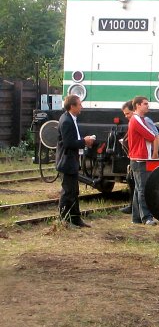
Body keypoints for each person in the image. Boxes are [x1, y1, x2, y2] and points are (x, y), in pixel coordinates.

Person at [55, 94, 95, 228]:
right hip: (66, 161)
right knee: (67, 192)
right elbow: (68, 143)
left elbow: (72, 139)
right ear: (72, 106)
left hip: (71, 160)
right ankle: (64, 220)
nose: (81, 107)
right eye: (79, 104)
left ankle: (76, 218)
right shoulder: (66, 121)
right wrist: (84, 141)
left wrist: (83, 140)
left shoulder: (71, 119)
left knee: (74, 191)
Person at [127, 96, 158, 225]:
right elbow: (151, 136)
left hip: (139, 157)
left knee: (138, 188)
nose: (147, 106)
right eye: (145, 104)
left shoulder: (139, 119)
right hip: (140, 158)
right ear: (138, 105)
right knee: (143, 188)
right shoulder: (137, 120)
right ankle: (146, 217)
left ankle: (136, 217)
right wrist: (155, 150)